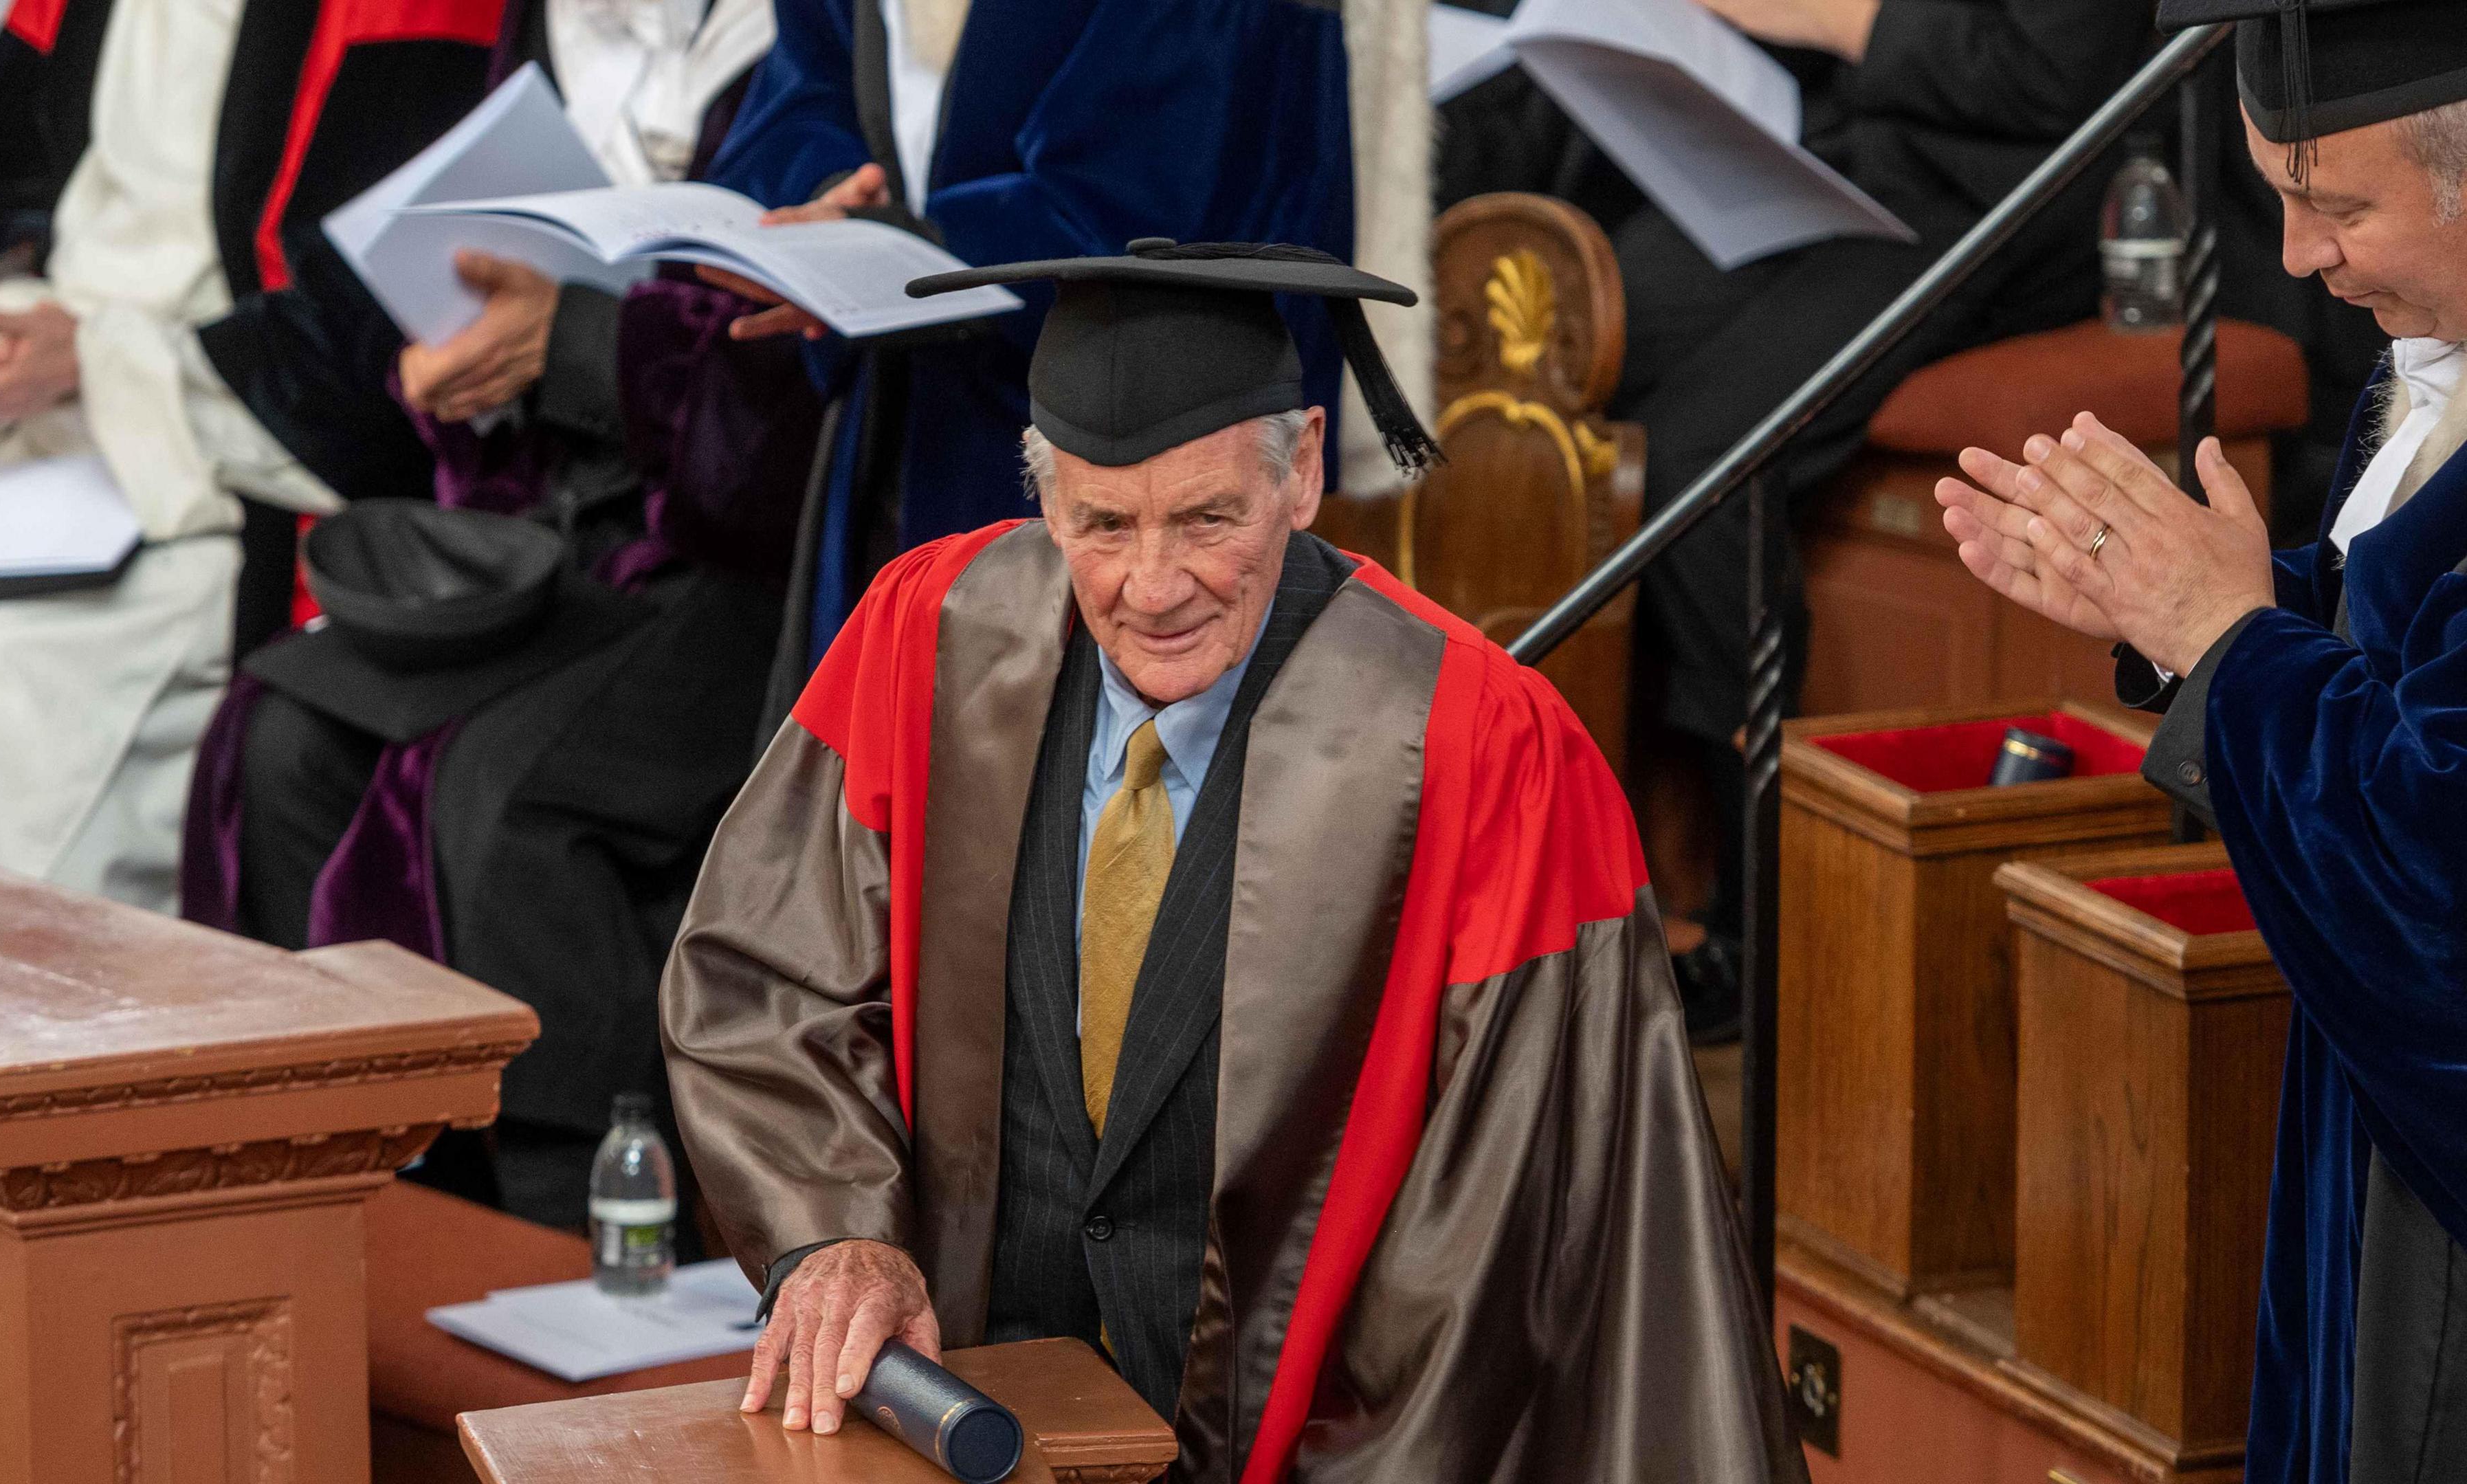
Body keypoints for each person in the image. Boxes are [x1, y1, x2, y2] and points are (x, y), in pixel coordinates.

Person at [659, 243, 1802, 1482]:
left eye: (1208, 516)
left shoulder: (1485, 747)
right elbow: (766, 979)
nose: (1155, 586)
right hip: (977, 1427)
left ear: (1304, 467)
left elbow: (1503, 1250)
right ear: (1044, 500)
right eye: (1102, 523)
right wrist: (834, 1232)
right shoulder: (925, 634)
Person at [177, 0, 821, 1231]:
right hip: (560, 524)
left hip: (753, 560)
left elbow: (802, 383)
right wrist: (454, 358)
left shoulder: (809, 41)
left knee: (496, 789)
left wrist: (576, 339)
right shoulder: (549, 21)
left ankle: (571, 1225)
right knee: (278, 731)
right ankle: (332, 1197)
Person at [1933, 5, 2467, 1479]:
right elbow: (2407, 641)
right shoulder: (2433, 365)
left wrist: (2228, 640)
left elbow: (2435, 890)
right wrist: (2176, 605)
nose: (2297, 257)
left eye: (2336, 204)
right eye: (2279, 198)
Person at [1437, 0, 2152, 1039]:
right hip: (1826, 148)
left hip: (2010, 187)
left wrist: (1827, 17)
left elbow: (2054, 75)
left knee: (1705, 460)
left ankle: (1760, 914)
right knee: (1559, 344)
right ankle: (1547, 861)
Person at [0, 0, 507, 909]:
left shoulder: (410, 14)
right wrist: (2, 314)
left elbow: (388, 335)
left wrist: (103, 355)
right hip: (34, 446)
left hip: (220, 479)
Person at [698, 0, 1362, 697]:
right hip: (896, 420)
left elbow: (1153, 182)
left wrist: (894, 246)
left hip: (1128, 430)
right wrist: (826, 199)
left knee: (1106, 759)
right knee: (893, 753)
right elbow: (803, 90)